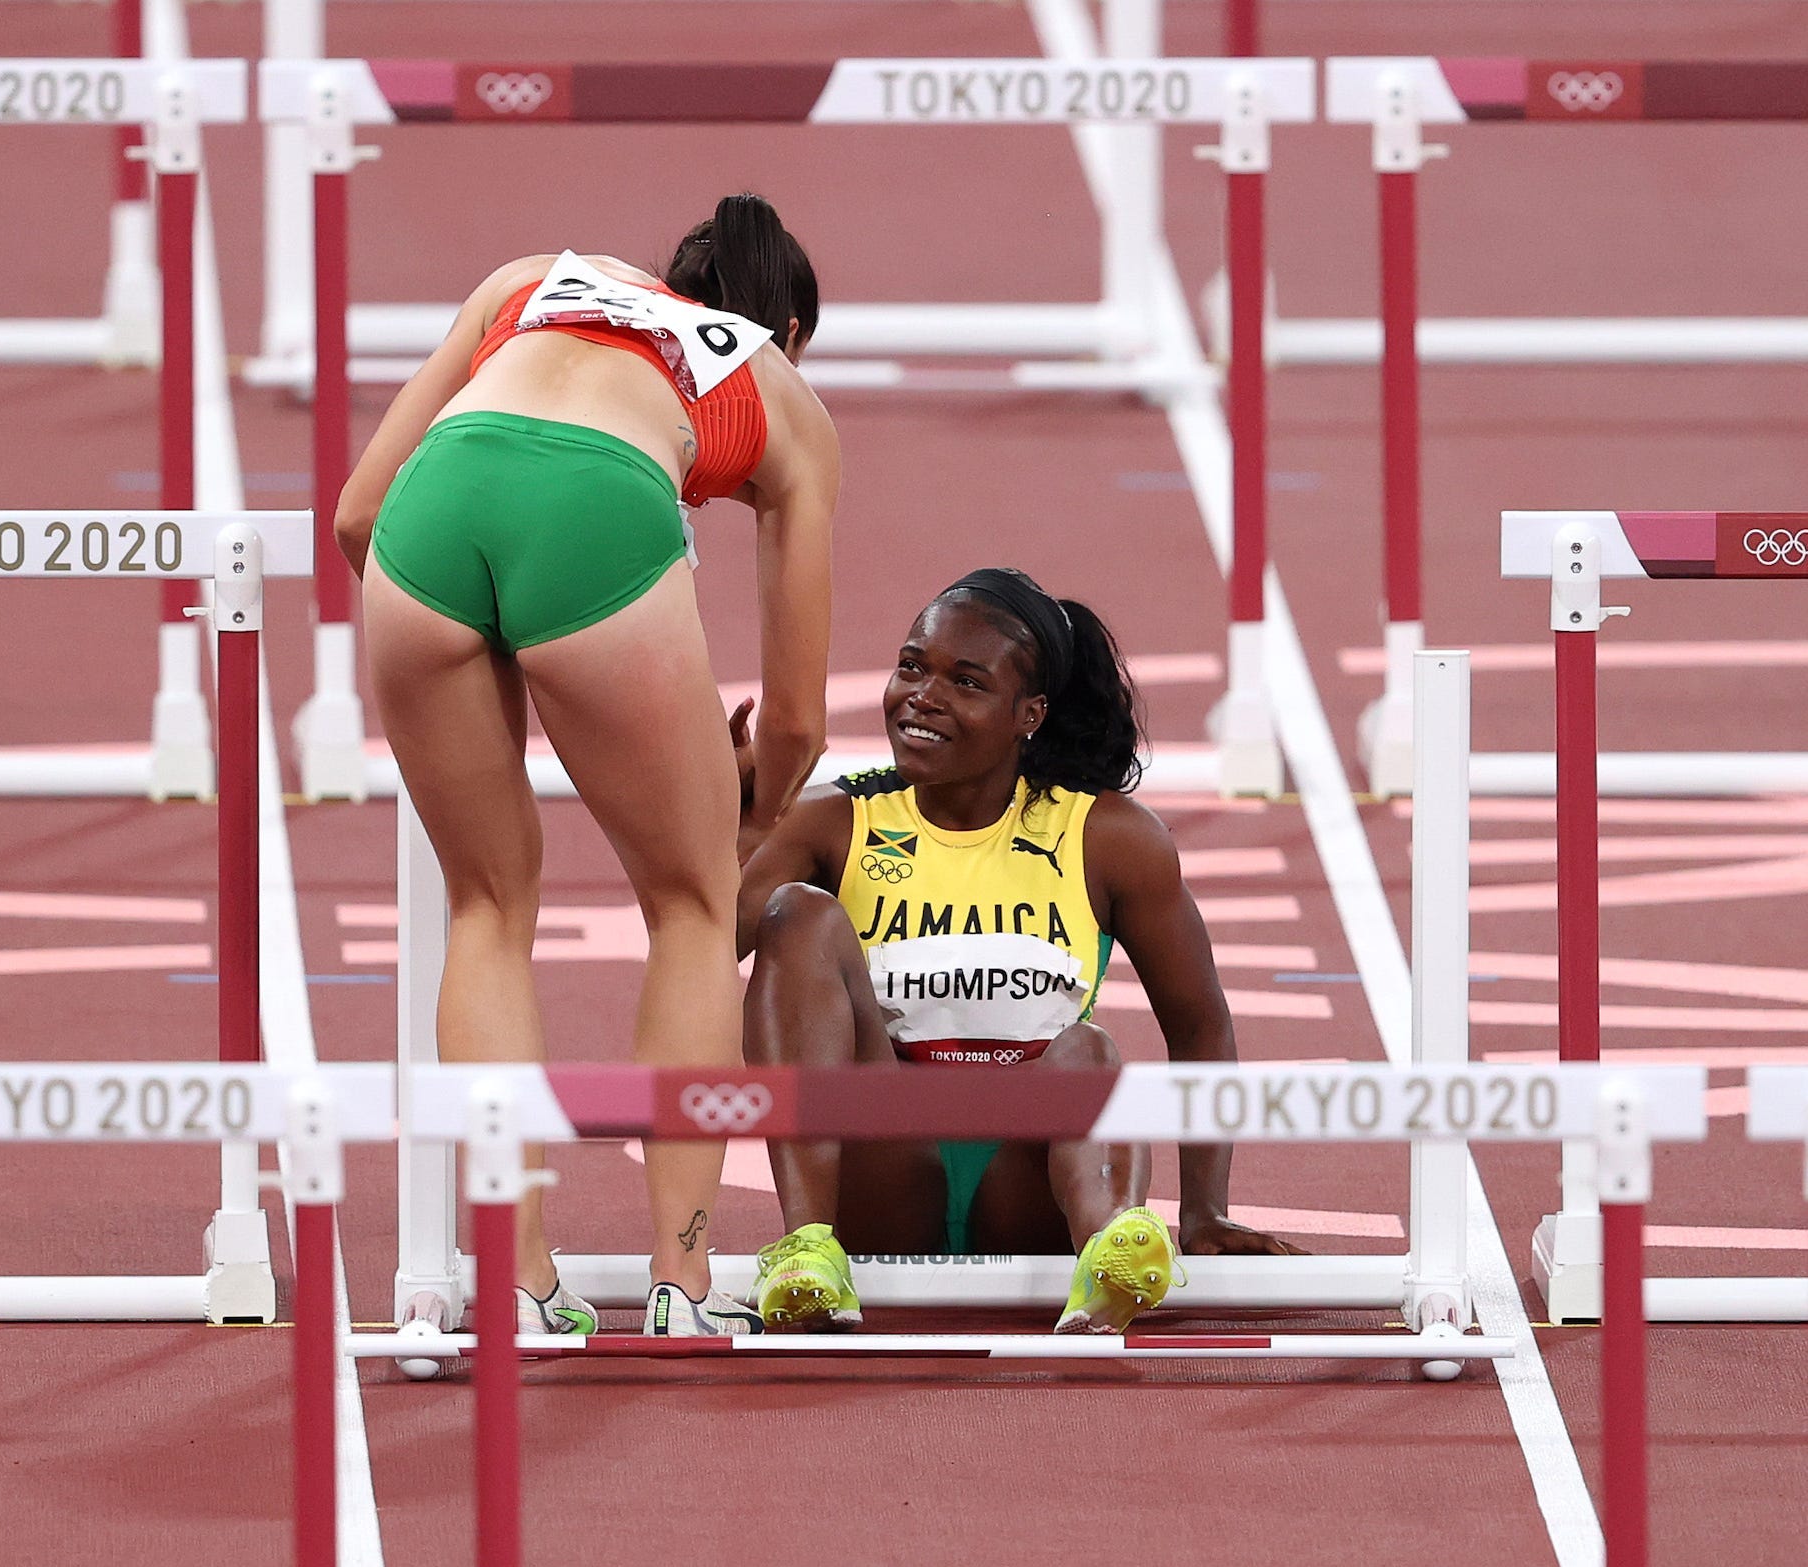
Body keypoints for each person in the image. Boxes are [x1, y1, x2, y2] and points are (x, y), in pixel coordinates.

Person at [334, 196, 841, 1337]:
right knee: (691, 906)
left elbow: (358, 512)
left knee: (485, 901)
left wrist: (487, 643)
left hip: (433, 510)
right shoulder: (784, 395)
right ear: (788, 331)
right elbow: (799, 720)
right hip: (596, 511)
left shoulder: (529, 273)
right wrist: (744, 816)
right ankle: (683, 1279)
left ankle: (516, 1280)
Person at [736, 567, 1303, 1334]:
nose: (922, 696)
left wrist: (1205, 1210)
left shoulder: (1108, 835)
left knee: (1088, 1050)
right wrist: (739, 823)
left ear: (1027, 713)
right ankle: (807, 1250)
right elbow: (705, 948)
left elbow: (1199, 1023)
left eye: (964, 681)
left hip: (1032, 1186)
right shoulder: (833, 821)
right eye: (911, 666)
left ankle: (1111, 1248)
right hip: (883, 1174)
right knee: (795, 915)